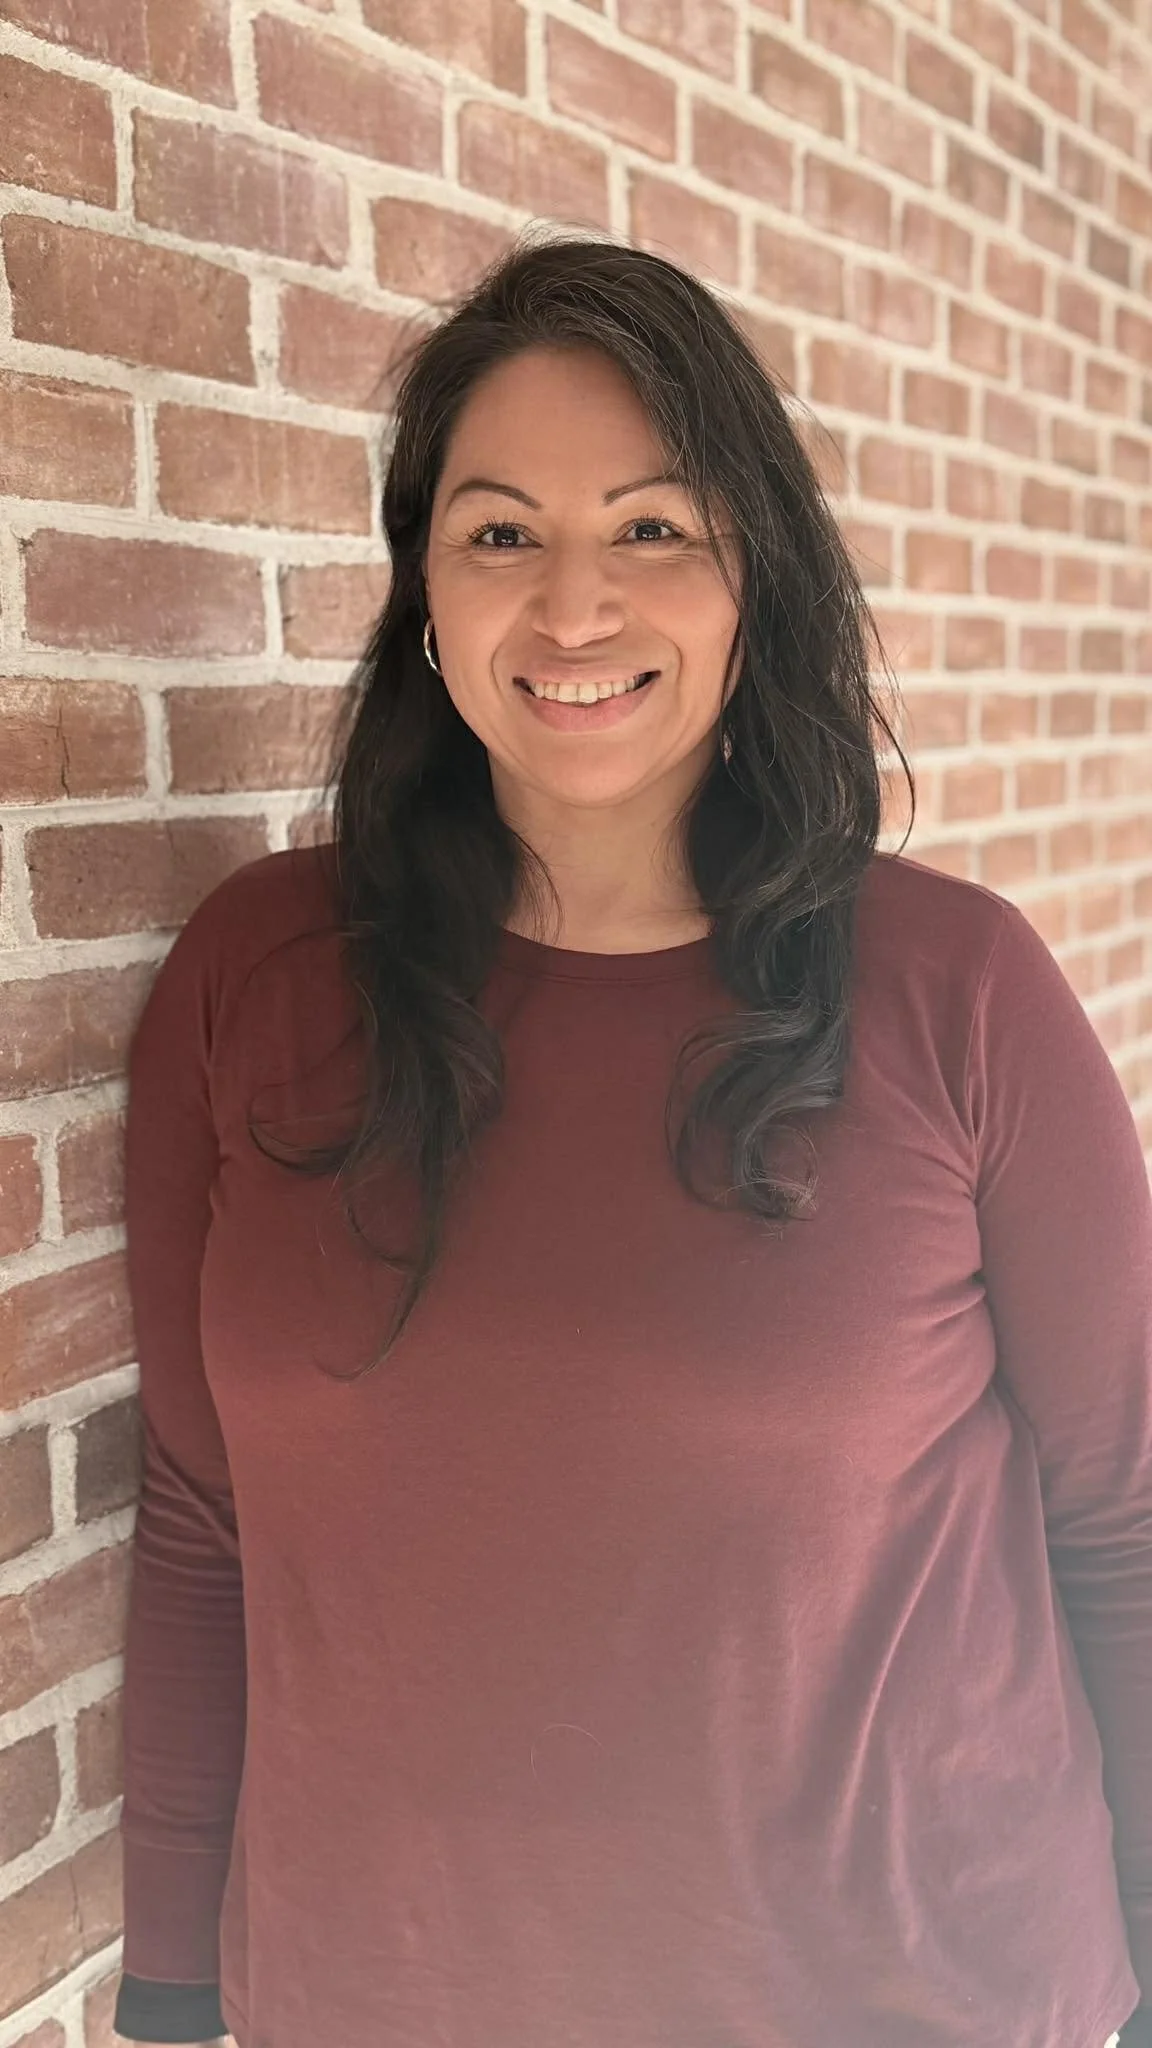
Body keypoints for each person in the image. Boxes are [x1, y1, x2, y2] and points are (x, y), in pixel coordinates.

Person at [111, 230, 1151, 2048]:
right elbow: (203, 1521)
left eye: (653, 528)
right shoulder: (254, 978)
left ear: (753, 577)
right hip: (375, 2003)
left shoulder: (957, 993)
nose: (574, 608)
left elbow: (1127, 1521)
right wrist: (174, 1984)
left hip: (909, 2001)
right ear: (422, 594)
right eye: (502, 534)